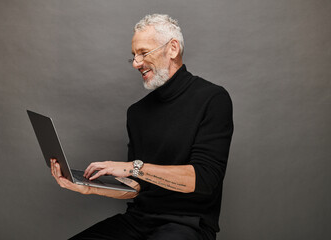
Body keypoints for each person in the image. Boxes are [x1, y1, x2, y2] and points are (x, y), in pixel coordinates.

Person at [50, 14, 233, 240]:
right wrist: (87, 187)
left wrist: (132, 167)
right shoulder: (137, 112)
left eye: (144, 53)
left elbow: (204, 179)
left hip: (188, 225)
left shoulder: (213, 99)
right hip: (138, 221)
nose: (136, 63)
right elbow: (136, 187)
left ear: (173, 49)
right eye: (134, 56)